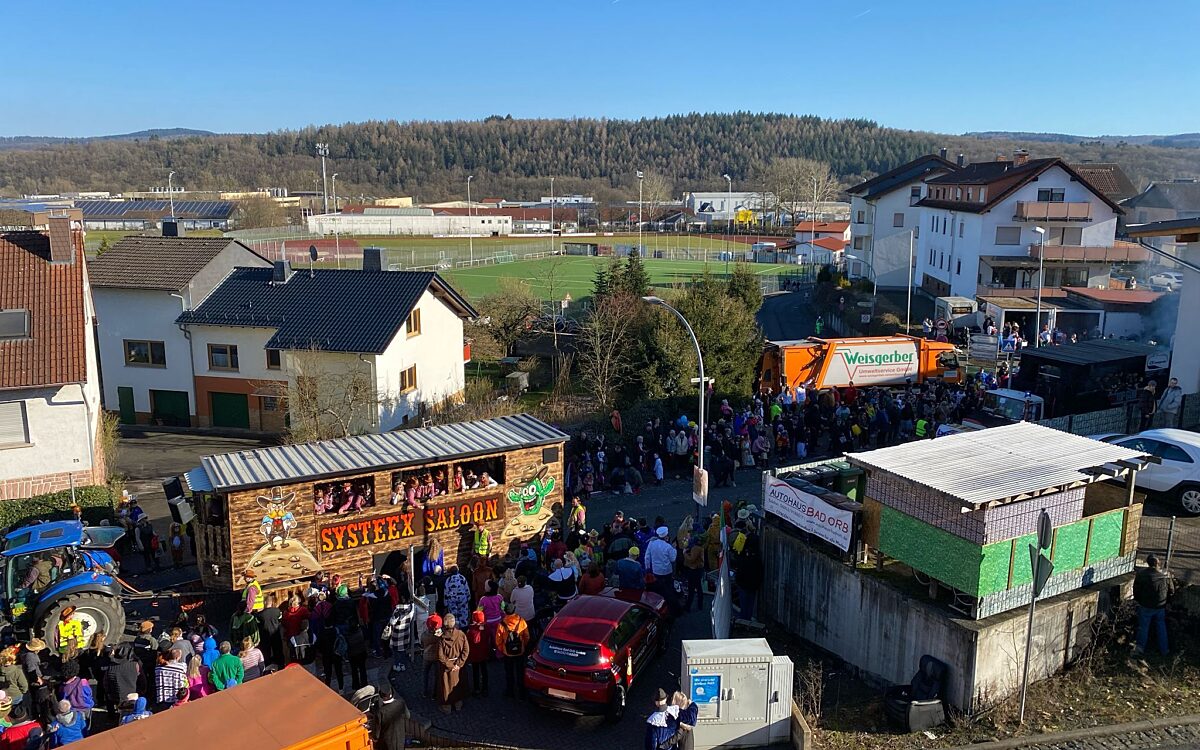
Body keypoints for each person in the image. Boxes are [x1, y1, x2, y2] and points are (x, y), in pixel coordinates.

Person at [1133, 555, 1175, 656]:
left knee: (1143, 627)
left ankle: (1140, 648)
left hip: (1145, 605)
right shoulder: (1165, 575)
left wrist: (1139, 600)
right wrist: (1167, 602)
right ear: (1158, 563)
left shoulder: (1141, 575)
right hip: (1160, 606)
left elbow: (1136, 590)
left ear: (1148, 563)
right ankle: (1164, 650)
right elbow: (1172, 590)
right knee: (1161, 626)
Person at [494, 602, 529, 699]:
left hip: (507, 653)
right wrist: (523, 646)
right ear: (514, 610)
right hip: (520, 652)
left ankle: (510, 691)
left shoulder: (502, 624)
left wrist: (503, 649)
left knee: (509, 673)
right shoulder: (521, 621)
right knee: (520, 671)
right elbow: (526, 636)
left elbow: (498, 640)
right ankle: (521, 692)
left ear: (505, 611)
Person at [436, 614, 469, 713]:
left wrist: (450, 665)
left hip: (447, 667)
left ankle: (447, 707)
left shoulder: (441, 638)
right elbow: (466, 650)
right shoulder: (461, 634)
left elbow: (440, 656)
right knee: (457, 685)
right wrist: (459, 664)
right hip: (458, 667)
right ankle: (458, 704)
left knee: (447, 686)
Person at [387, 589, 417, 673]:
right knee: (403, 650)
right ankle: (402, 664)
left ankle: (397, 665)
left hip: (397, 633)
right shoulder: (411, 608)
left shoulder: (398, 610)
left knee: (396, 651)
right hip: (406, 631)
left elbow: (392, 622)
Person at [58, 660, 94, 726]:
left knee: (77, 725)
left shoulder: (64, 687)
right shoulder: (83, 681)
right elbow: (89, 693)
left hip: (74, 710)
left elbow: (63, 700)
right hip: (86, 707)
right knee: (86, 725)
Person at [372, 684, 408, 750]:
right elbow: (408, 716)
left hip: (387, 744)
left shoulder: (380, 712)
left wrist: (374, 739)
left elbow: (376, 735)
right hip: (400, 738)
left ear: (381, 696)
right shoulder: (401, 704)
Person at [465, 610, 490, 697]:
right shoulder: (486, 628)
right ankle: (485, 688)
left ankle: (476, 689)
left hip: (474, 655)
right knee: (484, 670)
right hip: (484, 653)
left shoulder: (470, 630)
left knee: (475, 671)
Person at [420, 614, 443, 699]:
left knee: (425, 674)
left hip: (426, 657)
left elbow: (422, 644)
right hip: (437, 657)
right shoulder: (440, 636)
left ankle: (424, 692)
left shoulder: (424, 635)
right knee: (436, 676)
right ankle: (434, 694)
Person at [345, 620, 369, 691]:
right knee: (362, 669)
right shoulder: (361, 632)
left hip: (352, 655)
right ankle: (364, 683)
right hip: (361, 653)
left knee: (354, 670)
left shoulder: (348, 636)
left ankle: (356, 685)